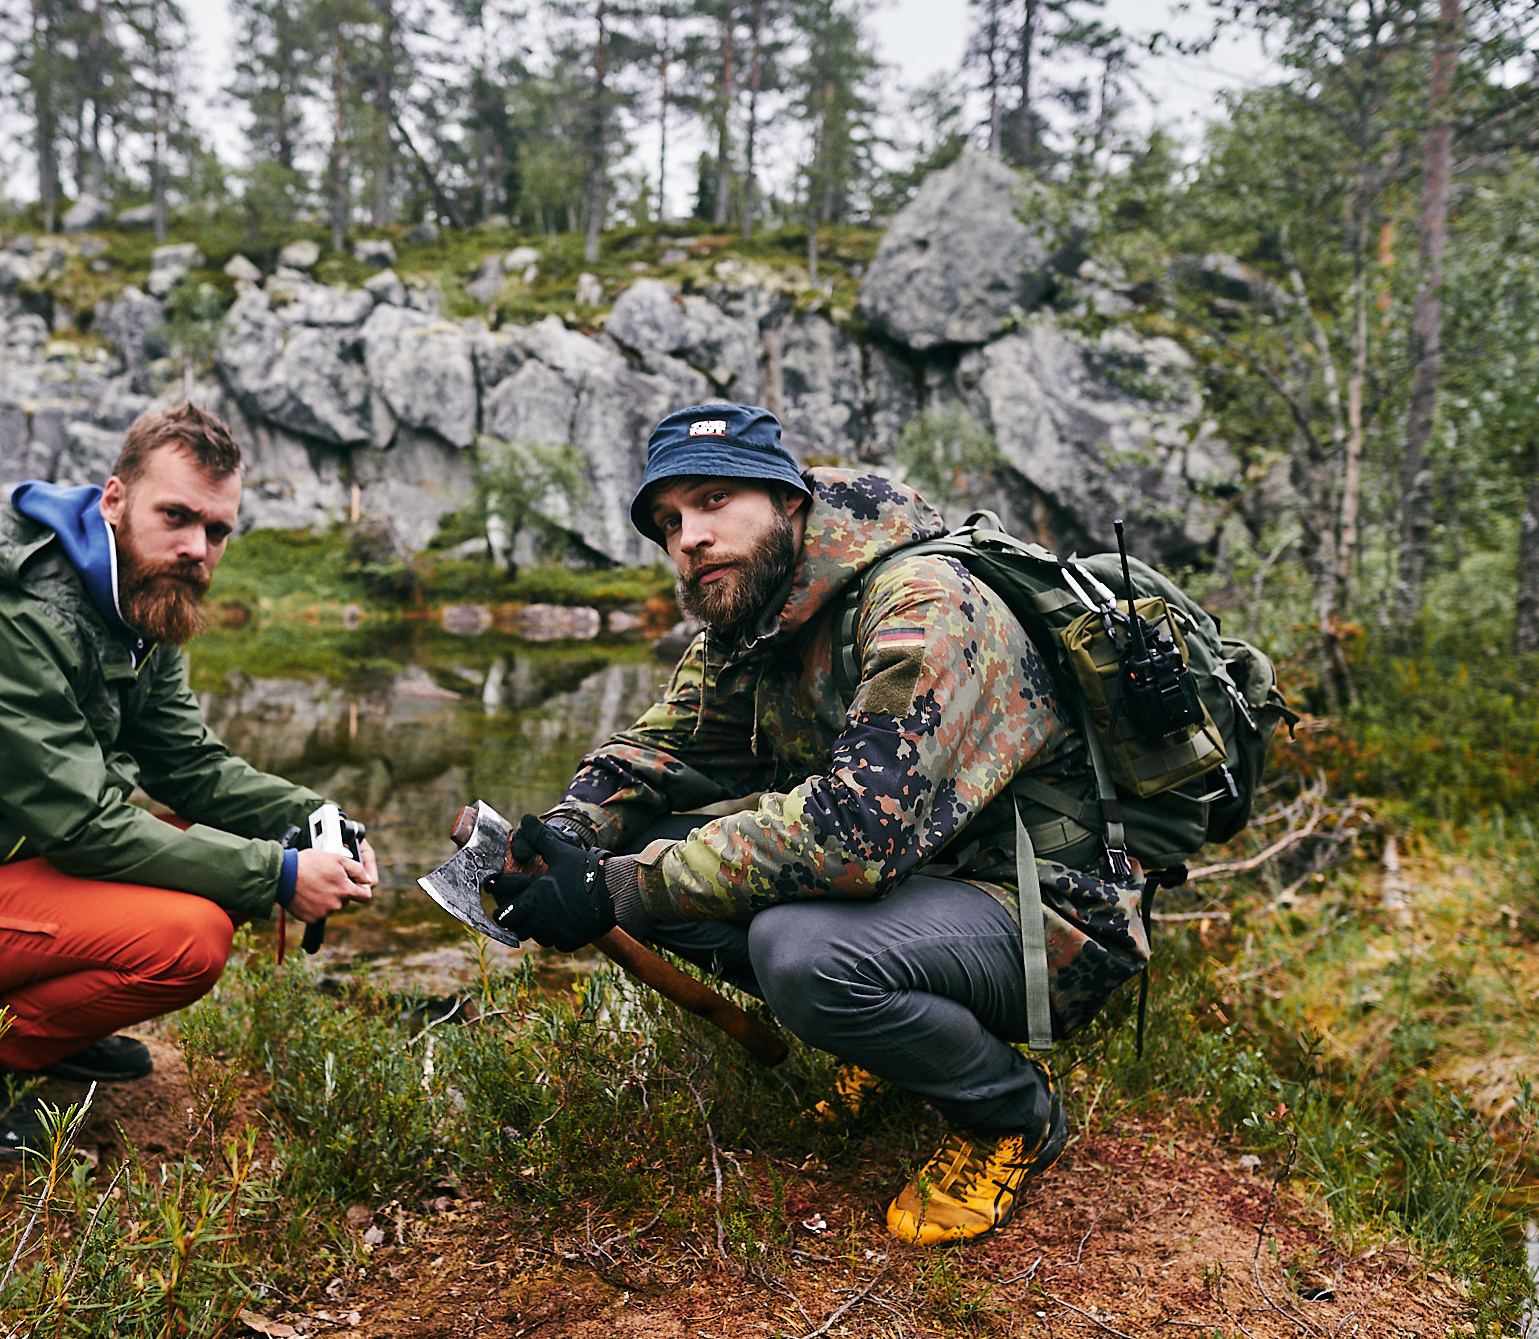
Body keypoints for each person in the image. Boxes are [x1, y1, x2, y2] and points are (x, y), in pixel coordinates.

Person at [491, 403, 1148, 1246]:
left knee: (799, 950)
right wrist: (571, 834)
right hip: (933, 893)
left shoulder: (924, 603)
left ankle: (1013, 1118)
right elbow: (657, 749)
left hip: (1051, 919)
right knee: (649, 850)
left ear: (789, 502)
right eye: (669, 520)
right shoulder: (757, 620)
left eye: (714, 498)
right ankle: (883, 1047)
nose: (689, 536)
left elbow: (850, 834)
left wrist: (620, 888)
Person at [0, 402, 377, 1154]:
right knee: (190, 937)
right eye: (177, 515)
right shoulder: (10, 623)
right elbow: (84, 827)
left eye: (217, 530)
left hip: (6, 870)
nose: (196, 547)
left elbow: (190, 765)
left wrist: (313, 813)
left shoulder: (139, 606)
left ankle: (35, 1033)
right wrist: (279, 875)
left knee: (201, 859)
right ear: (113, 501)